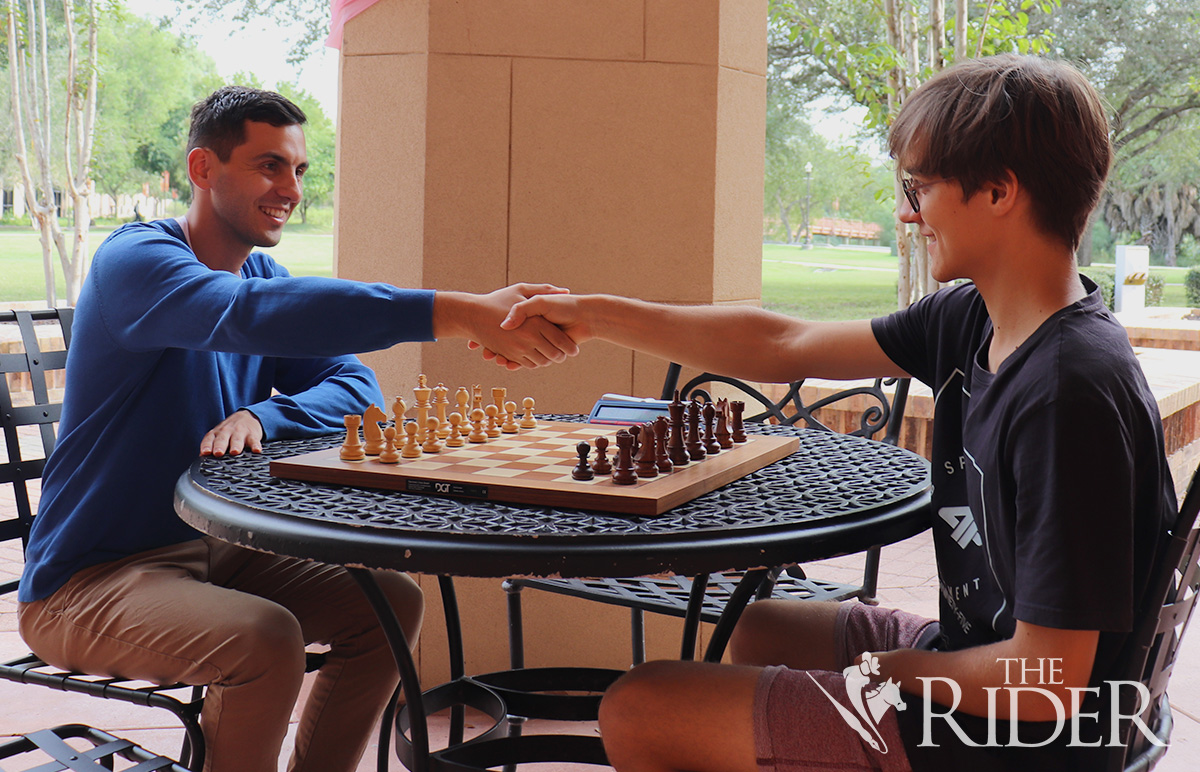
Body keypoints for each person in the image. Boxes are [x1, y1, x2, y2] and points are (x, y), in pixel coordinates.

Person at [498, 55, 1177, 771]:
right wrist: (595, 315)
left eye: (918, 187)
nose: (906, 213)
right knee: (764, 629)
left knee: (640, 706)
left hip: (1029, 741)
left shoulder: (1066, 394)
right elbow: (782, 342)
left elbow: (1049, 685)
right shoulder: (971, 318)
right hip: (985, 663)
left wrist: (885, 674)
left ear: (1001, 191)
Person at [16, 86, 577, 772]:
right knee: (265, 638)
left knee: (389, 604)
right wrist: (454, 312)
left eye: (298, 170)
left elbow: (353, 387)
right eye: (268, 166)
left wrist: (265, 413)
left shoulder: (259, 273)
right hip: (88, 583)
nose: (289, 188)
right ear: (202, 169)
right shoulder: (136, 263)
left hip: (215, 550)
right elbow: (248, 313)